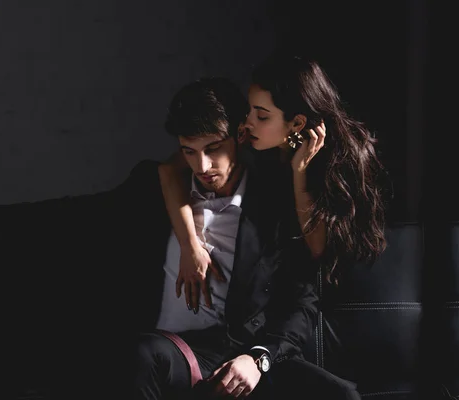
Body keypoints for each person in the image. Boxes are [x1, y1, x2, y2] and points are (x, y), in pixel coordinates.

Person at [0, 76, 359, 399]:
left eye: (214, 147)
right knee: (142, 357)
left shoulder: (273, 202)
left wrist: (259, 360)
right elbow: (74, 214)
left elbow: (302, 299)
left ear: (240, 135)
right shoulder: (153, 188)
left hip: (242, 351)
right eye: (189, 150)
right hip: (171, 351)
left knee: (341, 395)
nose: (203, 165)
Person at [158, 51, 389, 312]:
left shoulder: (330, 164)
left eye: (262, 116)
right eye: (249, 111)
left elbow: (317, 249)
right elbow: (170, 169)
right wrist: (190, 245)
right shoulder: (262, 145)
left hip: (329, 300)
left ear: (297, 123)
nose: (247, 123)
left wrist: (299, 171)